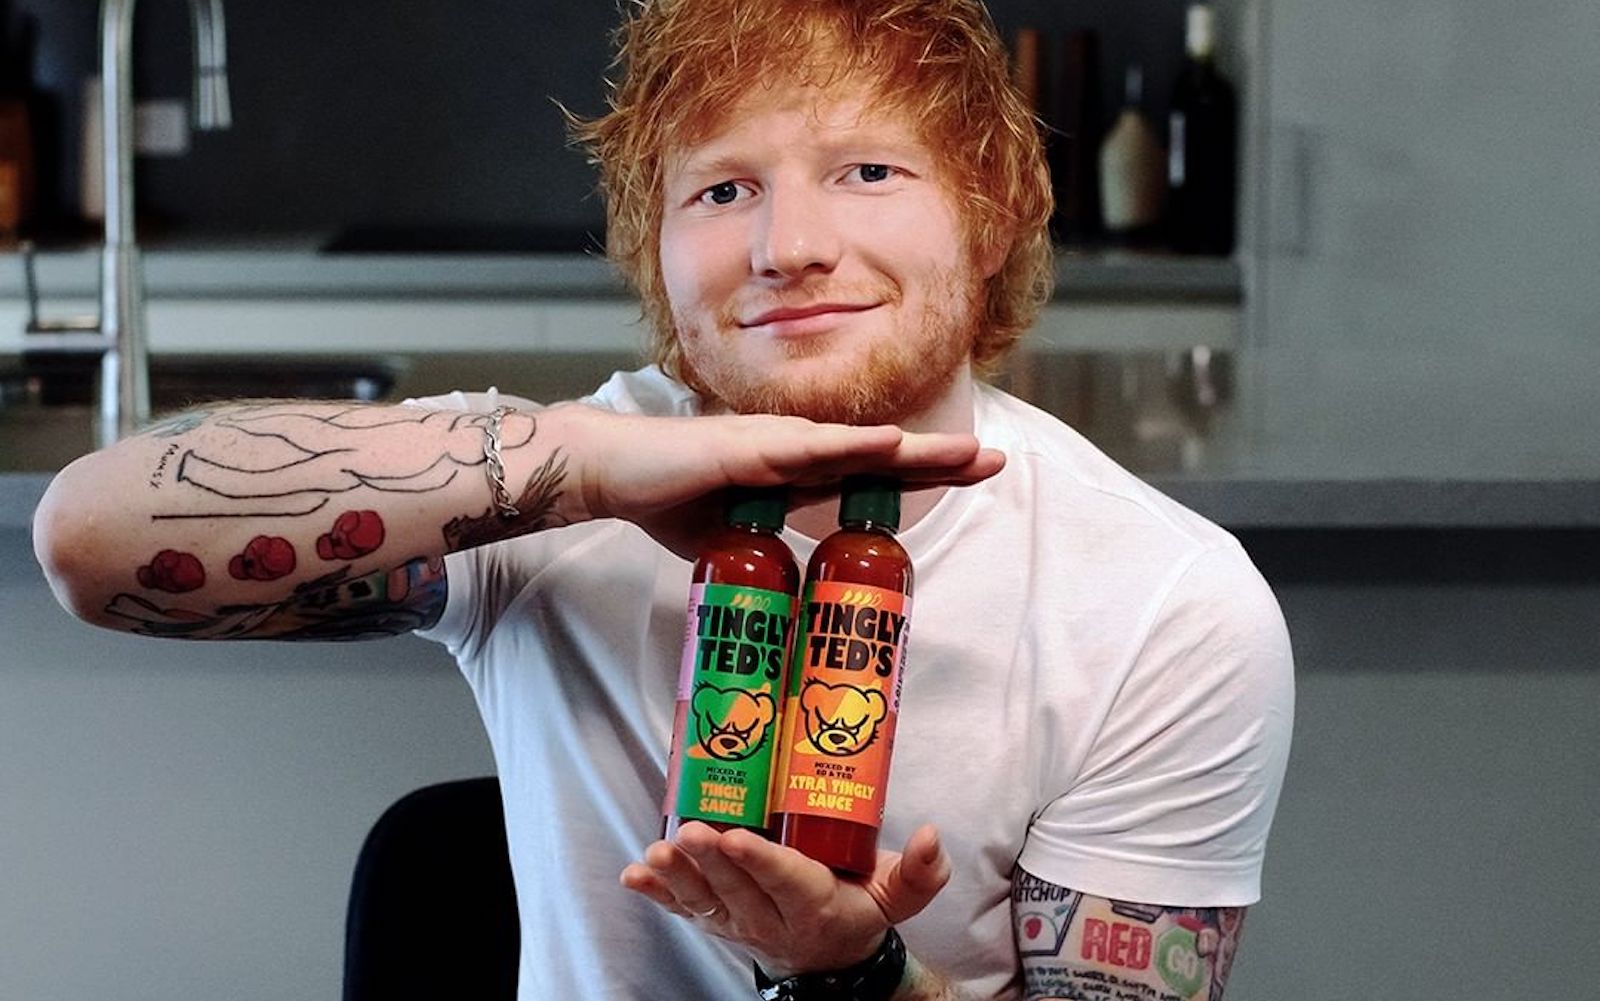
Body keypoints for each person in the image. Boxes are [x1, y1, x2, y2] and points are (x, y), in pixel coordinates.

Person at [32, 0, 1294, 998]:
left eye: (865, 169)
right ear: (656, 248)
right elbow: (89, 540)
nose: (785, 244)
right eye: (722, 188)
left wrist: (857, 975)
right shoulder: (545, 486)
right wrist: (585, 471)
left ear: (994, 212)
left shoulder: (1162, 601)